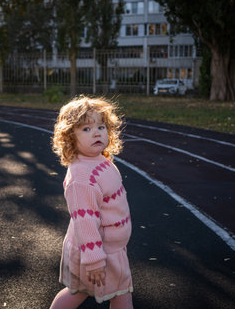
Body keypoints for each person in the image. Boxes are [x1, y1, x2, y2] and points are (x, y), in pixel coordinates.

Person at [50, 96, 133, 309]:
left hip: (113, 249)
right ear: (70, 138)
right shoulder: (82, 178)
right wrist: (95, 260)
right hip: (96, 252)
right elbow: (85, 221)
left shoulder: (99, 160)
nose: (97, 132)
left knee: (122, 291)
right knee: (76, 294)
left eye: (101, 126)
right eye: (86, 129)